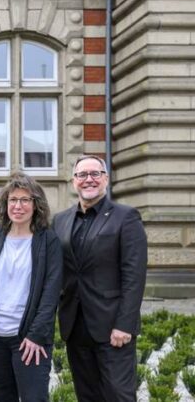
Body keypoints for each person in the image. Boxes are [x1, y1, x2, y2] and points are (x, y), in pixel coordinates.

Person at [52, 155, 147, 402]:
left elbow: (134, 276)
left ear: (105, 179)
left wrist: (125, 324)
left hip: (112, 326)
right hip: (75, 325)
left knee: (118, 395)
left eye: (95, 173)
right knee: (87, 395)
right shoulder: (60, 220)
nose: (89, 179)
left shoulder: (126, 217)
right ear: (74, 181)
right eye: (82, 175)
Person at [0, 172, 63, 402]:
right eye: (13, 200)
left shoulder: (48, 241)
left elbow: (51, 293)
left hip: (29, 340)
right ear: (5, 204)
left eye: (25, 200)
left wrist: (36, 335)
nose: (18, 206)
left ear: (36, 205)